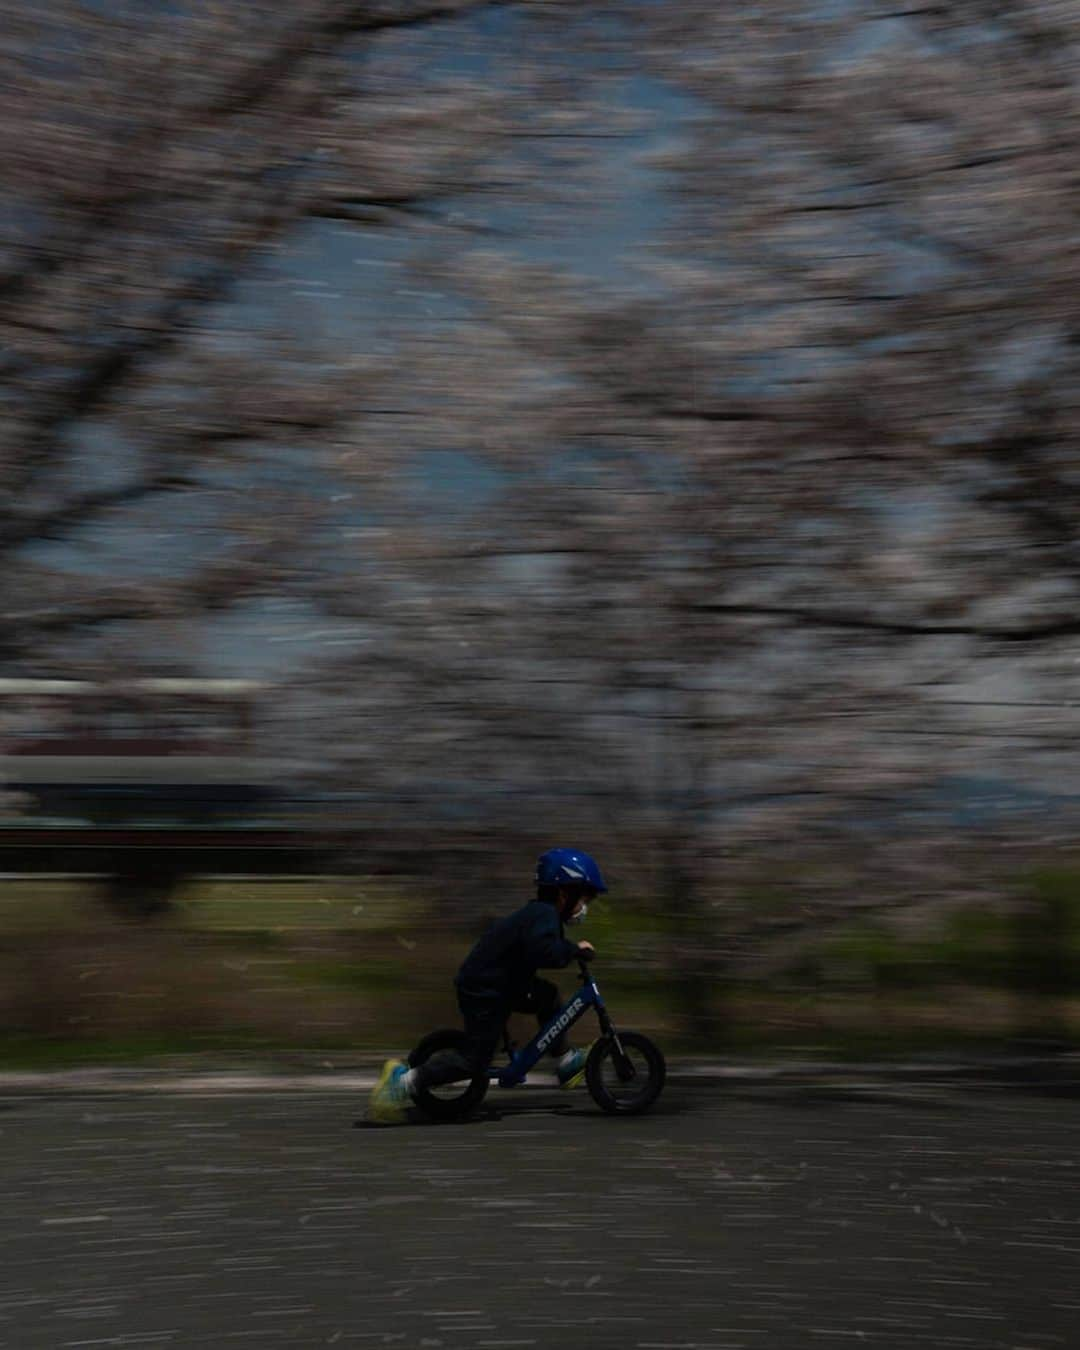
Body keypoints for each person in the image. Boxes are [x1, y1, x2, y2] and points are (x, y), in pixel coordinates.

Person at [364, 846, 606, 1125]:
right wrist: (574, 950)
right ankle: (402, 1081)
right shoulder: (543, 916)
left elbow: (540, 948)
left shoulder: (541, 914)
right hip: (485, 990)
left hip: (505, 984)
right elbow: (544, 951)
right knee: (474, 1061)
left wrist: (568, 948)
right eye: (584, 899)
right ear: (565, 893)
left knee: (547, 996)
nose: (585, 908)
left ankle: (564, 1061)